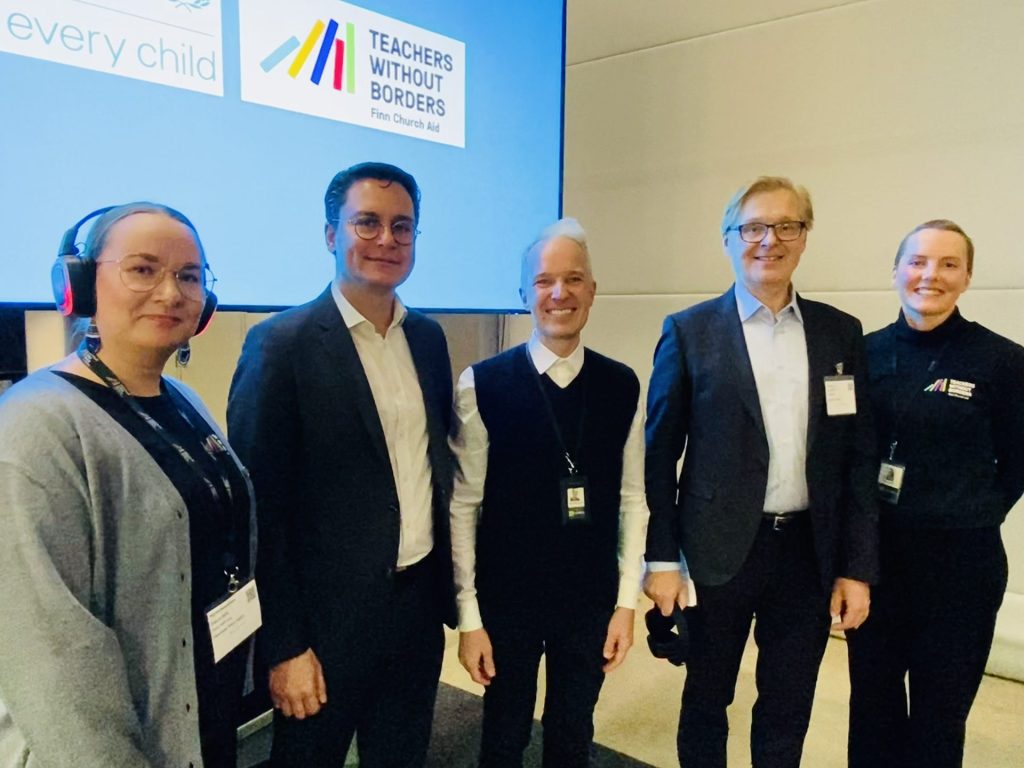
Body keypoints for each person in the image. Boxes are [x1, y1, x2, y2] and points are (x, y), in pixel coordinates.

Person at [0, 202, 256, 767]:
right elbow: (54, 656)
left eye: (189, 276)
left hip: (194, 714)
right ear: (81, 285)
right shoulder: (34, 427)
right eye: (143, 269)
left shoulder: (183, 400)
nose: (171, 293)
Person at [643, 176, 879, 767]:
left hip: (806, 554)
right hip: (716, 550)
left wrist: (856, 566)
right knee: (706, 697)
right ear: (729, 238)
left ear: (804, 237)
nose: (769, 240)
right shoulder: (689, 331)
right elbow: (658, 454)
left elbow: (857, 459)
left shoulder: (840, 333)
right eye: (753, 227)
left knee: (789, 701)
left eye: (787, 225)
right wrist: (663, 559)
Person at [228, 162, 456, 767]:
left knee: (401, 755)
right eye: (367, 223)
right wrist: (285, 645)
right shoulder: (282, 345)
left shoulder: (429, 340)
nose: (387, 240)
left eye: (402, 227)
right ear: (332, 235)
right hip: (323, 628)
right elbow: (260, 514)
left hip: (415, 608)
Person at [450, 218, 649, 767]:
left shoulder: (623, 384)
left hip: (589, 599)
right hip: (507, 597)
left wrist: (626, 604)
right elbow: (463, 506)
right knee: (504, 734)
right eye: (543, 281)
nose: (559, 293)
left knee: (571, 733)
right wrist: (470, 618)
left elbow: (633, 498)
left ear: (592, 290)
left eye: (573, 279)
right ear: (523, 293)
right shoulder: (482, 383)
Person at [847, 219, 1024, 768]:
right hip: (875, 564)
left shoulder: (1002, 361)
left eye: (949, 264)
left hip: (960, 570)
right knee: (871, 708)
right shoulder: (862, 354)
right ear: (896, 271)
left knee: (939, 716)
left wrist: (972, 510)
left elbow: (1017, 459)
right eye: (918, 261)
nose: (931, 275)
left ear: (968, 277)